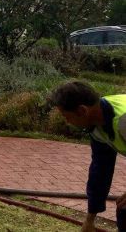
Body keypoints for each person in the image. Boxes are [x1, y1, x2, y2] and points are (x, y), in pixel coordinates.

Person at [50, 81, 126, 232]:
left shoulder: (123, 121)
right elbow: (100, 171)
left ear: (82, 111)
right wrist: (90, 220)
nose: (67, 122)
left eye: (67, 116)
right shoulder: (97, 125)